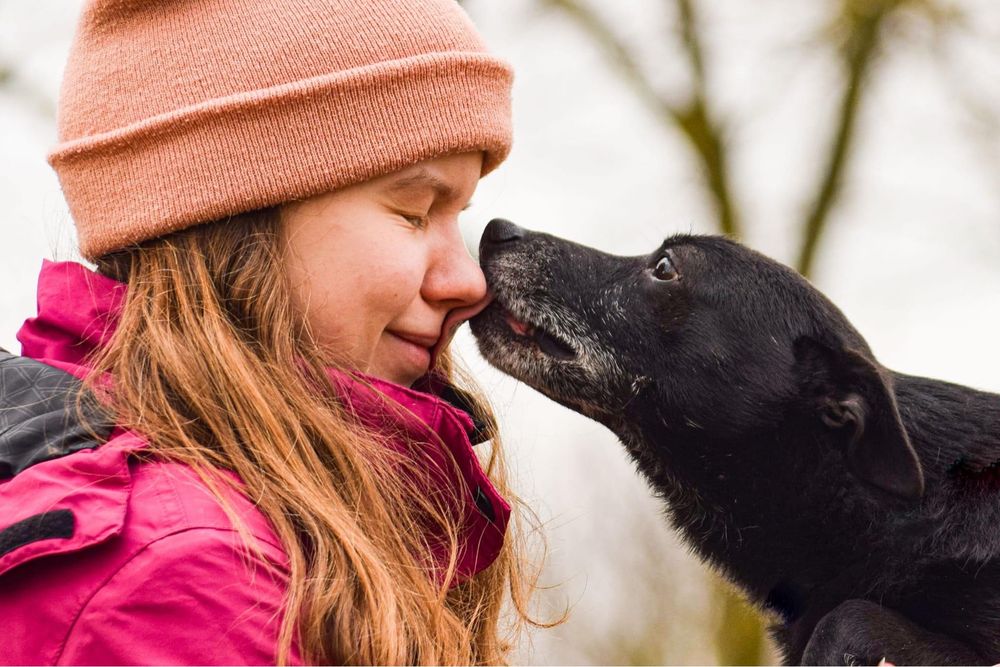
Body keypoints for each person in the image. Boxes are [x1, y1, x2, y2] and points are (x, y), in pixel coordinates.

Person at [0, 0, 542, 664]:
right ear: (233, 226)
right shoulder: (177, 582)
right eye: (414, 210)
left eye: (457, 214)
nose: (468, 280)